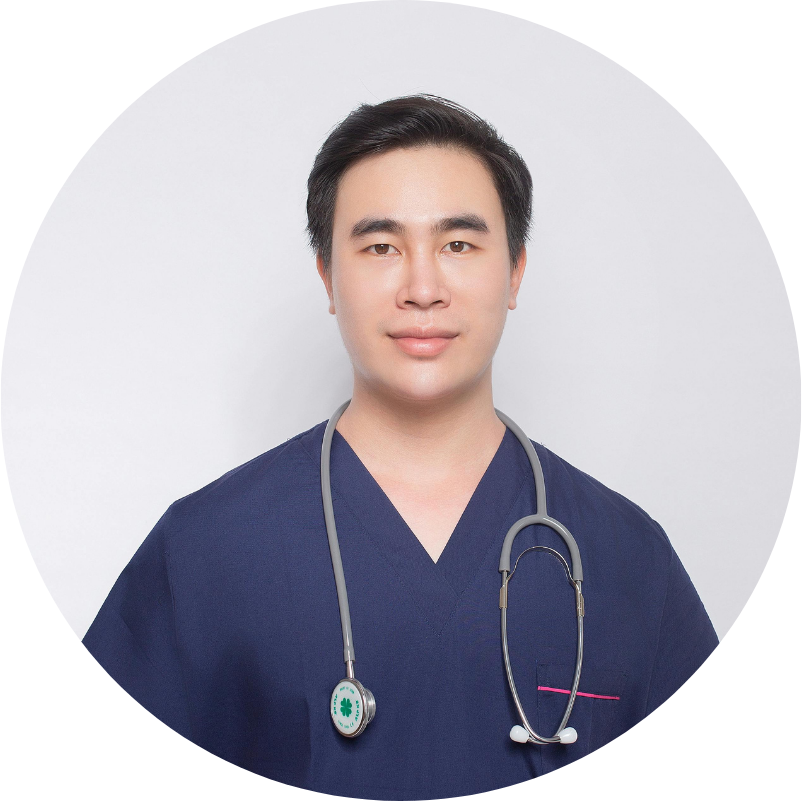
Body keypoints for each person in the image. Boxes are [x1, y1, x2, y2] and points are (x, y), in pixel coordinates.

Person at [83, 95, 718, 800]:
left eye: (459, 245)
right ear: (327, 276)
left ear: (514, 273)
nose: (422, 288)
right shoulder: (205, 549)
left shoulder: (628, 556)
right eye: (381, 247)